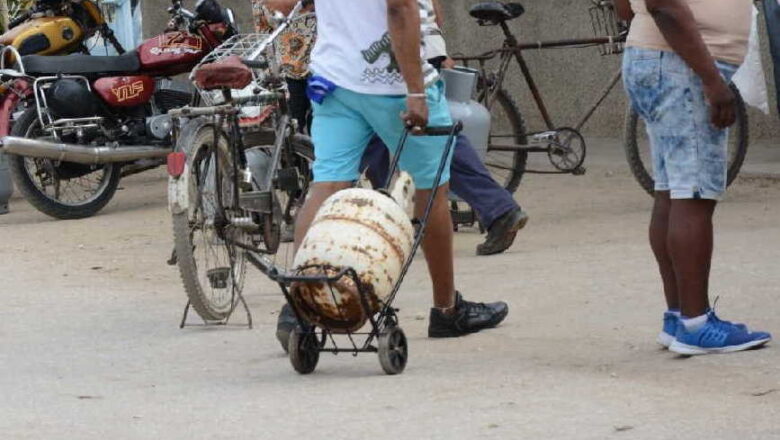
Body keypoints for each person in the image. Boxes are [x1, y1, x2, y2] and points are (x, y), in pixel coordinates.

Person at [262, 0, 509, 350]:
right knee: (430, 192)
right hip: (393, 86)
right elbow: (400, 7)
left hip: (334, 81)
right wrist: (417, 92)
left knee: (326, 186)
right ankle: (446, 309)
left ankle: (300, 306)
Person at [254, 0, 529, 257]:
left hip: (391, 55)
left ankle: (488, 213)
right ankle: (396, 225)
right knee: (399, 150)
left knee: (432, 153)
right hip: (377, 58)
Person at [615, 0, 771, 355]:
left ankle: (679, 316)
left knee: (671, 191)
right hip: (683, 66)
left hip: (662, 60)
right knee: (694, 195)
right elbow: (664, 5)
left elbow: (625, 8)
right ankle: (696, 324)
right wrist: (713, 81)